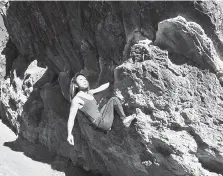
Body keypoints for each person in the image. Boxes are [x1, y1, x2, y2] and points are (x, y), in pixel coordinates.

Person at [67, 73, 136, 145]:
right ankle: (124, 120)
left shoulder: (89, 93)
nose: (84, 81)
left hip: (99, 122)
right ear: (75, 85)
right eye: (81, 80)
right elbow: (71, 118)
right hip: (100, 123)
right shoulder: (76, 100)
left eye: (85, 79)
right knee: (113, 100)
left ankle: (108, 128)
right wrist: (69, 134)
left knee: (105, 106)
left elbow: (101, 88)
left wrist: (112, 80)